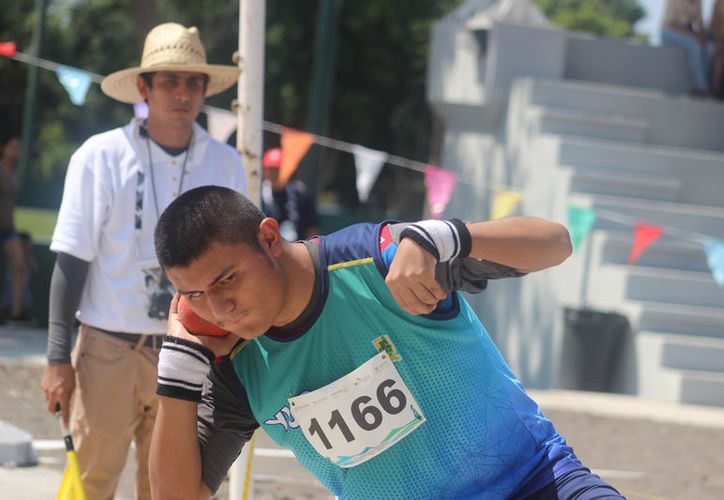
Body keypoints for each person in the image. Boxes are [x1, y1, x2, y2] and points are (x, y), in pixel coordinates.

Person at [149, 185, 624, 499]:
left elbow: (556, 243)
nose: (219, 308)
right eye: (196, 295)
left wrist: (448, 237)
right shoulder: (237, 362)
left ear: (270, 238)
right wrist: (178, 373)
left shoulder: (379, 261)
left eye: (227, 279)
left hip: (537, 483)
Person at [40, 23, 247, 500]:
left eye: (193, 82)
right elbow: (71, 260)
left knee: (167, 490)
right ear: (143, 87)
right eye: (170, 80)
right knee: (91, 485)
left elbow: (239, 266)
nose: (183, 93)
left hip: (192, 351)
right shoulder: (100, 155)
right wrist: (56, 358)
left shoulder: (226, 163)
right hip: (108, 350)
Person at [0, 134, 30, 323]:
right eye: (13, 147)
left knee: (19, 266)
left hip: (9, 229)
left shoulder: (16, 174)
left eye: (19, 147)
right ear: (3, 149)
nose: (16, 151)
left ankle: (15, 314)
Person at [261, 146, 320, 240]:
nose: (274, 174)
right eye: (270, 169)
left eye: (279, 169)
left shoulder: (300, 193)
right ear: (264, 171)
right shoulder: (258, 195)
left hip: (298, 248)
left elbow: (312, 227)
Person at [661, 0, 712, 96]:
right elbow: (672, 24)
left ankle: (705, 84)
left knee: (709, 48)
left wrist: (702, 38)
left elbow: (699, 23)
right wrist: (694, 37)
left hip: (688, 34)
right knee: (694, 46)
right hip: (670, 32)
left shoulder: (698, 2)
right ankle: (701, 87)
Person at [709, 0, 724, 96]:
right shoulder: (719, 4)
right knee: (719, 55)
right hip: (720, 40)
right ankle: (715, 90)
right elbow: (714, 26)